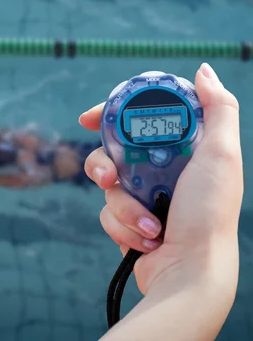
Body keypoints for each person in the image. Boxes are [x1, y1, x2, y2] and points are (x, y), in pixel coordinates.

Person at [79, 63, 243, 340]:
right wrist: (190, 271)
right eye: (148, 126)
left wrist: (188, 270)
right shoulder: (182, 114)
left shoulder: (124, 116)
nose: (158, 155)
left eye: (164, 125)